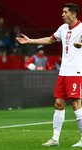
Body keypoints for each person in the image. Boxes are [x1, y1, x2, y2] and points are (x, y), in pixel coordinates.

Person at [16, 3, 82, 147]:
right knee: (58, 104)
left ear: (74, 14)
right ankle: (55, 139)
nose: (62, 14)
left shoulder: (81, 28)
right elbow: (51, 39)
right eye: (62, 12)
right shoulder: (63, 28)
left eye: (65, 12)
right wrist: (30, 40)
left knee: (76, 104)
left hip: (76, 72)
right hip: (63, 72)